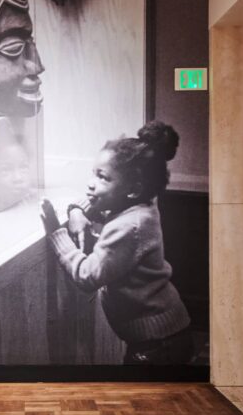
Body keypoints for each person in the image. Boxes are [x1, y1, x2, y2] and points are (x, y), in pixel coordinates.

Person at [40, 121, 192, 365]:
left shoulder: (130, 226)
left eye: (103, 177)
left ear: (133, 189)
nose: (91, 183)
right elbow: (104, 205)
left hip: (158, 345)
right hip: (163, 335)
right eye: (93, 173)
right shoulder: (141, 203)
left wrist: (57, 234)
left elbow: (87, 276)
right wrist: (78, 210)